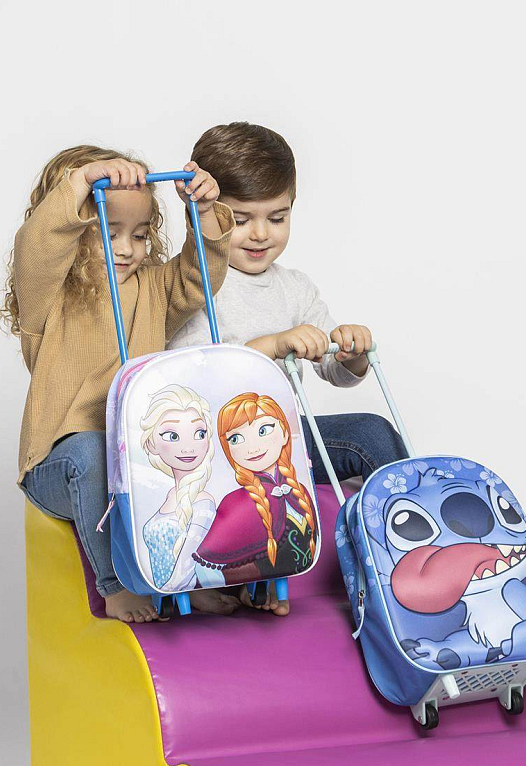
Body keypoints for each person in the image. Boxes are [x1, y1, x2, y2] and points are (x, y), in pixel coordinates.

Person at [169, 123, 408, 614]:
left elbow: (335, 371)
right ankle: (242, 577)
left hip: (287, 445)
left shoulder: (295, 287)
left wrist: (349, 351)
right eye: (240, 219)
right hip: (221, 453)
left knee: (372, 432)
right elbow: (199, 383)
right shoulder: (192, 287)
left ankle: (405, 555)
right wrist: (273, 345)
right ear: (204, 215)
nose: (261, 233)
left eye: (277, 217)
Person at [1, 144, 239, 622]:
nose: (128, 248)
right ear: (76, 230)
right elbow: (37, 248)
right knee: (92, 451)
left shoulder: (151, 289)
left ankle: (189, 577)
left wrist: (204, 212)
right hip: (62, 466)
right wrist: (80, 181)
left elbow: (199, 278)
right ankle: (118, 585)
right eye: (109, 234)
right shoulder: (49, 296)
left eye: (140, 234)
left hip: (136, 465)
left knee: (194, 453)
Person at [192, 393, 317, 608]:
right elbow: (207, 558)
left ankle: (272, 584)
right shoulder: (237, 501)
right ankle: (247, 586)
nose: (253, 447)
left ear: (284, 432)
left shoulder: (297, 489)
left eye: (263, 430)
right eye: (236, 439)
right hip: (247, 571)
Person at [139, 385, 217, 592]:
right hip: (163, 591)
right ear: (151, 444)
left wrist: (166, 590)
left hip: (177, 590)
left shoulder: (203, 502)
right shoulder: (170, 495)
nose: (188, 447)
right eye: (172, 436)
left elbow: (187, 565)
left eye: (199, 433)